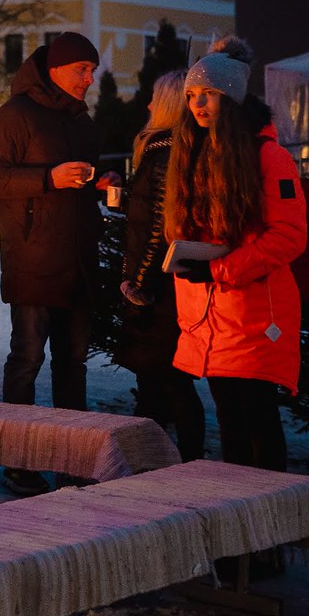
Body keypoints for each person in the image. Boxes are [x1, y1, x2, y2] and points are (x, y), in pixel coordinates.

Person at [0, 30, 118, 494]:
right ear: (54, 70)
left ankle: (73, 459)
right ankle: (18, 460)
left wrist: (97, 183)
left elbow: (74, 184)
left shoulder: (82, 121)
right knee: (28, 358)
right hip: (33, 257)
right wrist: (48, 178)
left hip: (78, 259)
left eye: (92, 71)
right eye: (82, 69)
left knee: (73, 364)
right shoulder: (16, 115)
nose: (89, 79)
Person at [165, 51, 307, 472]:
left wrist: (218, 269)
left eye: (209, 93)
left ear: (232, 97)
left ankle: (268, 508)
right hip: (207, 313)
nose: (197, 103)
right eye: (191, 94)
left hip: (253, 315)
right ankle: (238, 507)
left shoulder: (269, 157)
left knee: (257, 420)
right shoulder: (193, 152)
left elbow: (289, 236)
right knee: (230, 423)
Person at [115, 70, 206, 462]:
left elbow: (159, 226)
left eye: (155, 98)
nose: (148, 104)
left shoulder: (165, 153)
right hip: (167, 283)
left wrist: (138, 283)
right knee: (161, 380)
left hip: (159, 289)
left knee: (168, 379)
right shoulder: (173, 151)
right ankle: (161, 459)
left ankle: (178, 460)